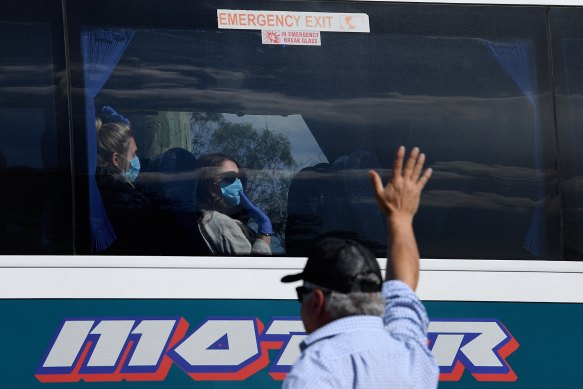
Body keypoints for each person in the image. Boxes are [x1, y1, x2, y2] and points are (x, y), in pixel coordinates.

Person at [281, 146, 439, 388]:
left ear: (317, 301)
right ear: (374, 295)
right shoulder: (410, 351)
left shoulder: (317, 369)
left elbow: (402, 292)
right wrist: (400, 217)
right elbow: (403, 291)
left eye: (302, 294)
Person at [95, 106, 155, 254]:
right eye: (133, 155)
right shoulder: (126, 203)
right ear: (116, 159)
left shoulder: (100, 188)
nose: (136, 160)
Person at [196, 153, 272, 255]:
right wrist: (265, 231)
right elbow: (252, 268)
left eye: (239, 178)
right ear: (207, 184)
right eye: (230, 177)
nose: (238, 183)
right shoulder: (222, 223)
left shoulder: (202, 218)